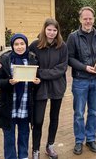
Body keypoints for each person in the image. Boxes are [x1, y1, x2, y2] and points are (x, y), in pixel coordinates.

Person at [66, 6, 96, 155]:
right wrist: (84, 67)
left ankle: (90, 139)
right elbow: (70, 58)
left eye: (90, 18)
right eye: (85, 18)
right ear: (80, 19)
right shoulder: (73, 37)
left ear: (93, 19)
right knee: (79, 113)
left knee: (94, 112)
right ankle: (78, 140)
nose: (88, 21)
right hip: (80, 81)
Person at [0, 33, 41, 159]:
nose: (19, 47)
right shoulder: (4, 60)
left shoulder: (33, 59)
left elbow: (37, 79)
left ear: (26, 45)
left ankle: (23, 156)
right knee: (9, 136)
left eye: (22, 44)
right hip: (9, 105)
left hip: (25, 104)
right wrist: (8, 82)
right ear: (12, 46)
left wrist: (37, 82)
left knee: (24, 134)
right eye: (16, 44)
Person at [29, 18, 68, 159]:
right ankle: (35, 150)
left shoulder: (62, 46)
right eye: (49, 29)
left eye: (54, 30)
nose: (51, 33)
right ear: (44, 29)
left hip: (57, 86)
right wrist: (1, 61)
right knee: (38, 120)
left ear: (57, 31)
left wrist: (42, 73)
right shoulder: (35, 45)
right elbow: (27, 63)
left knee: (54, 118)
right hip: (40, 87)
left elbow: (62, 68)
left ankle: (50, 146)